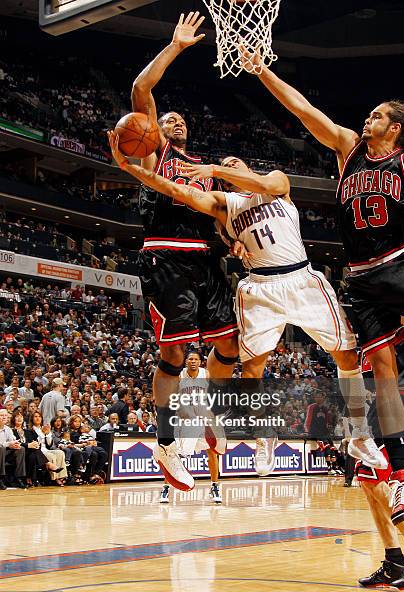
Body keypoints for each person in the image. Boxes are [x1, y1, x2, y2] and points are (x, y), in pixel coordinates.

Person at [108, 134, 384, 478]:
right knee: (252, 368)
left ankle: (358, 433)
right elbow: (181, 192)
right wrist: (132, 169)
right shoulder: (226, 204)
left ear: (246, 166)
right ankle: (264, 433)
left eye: (233, 163)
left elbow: (256, 180)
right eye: (225, 168)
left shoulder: (275, 182)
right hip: (259, 288)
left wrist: (216, 168)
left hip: (302, 279)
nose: (229, 167)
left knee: (347, 354)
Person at [237, 49, 404, 589]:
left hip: (401, 263)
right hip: (360, 276)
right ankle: (399, 485)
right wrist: (262, 70)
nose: (368, 119)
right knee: (375, 363)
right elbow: (305, 110)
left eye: (378, 115)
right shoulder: (349, 150)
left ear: (397, 127)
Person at [129, 11, 239, 491]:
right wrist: (174, 46)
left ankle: (210, 411)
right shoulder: (155, 152)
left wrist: (233, 235)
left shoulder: (205, 167)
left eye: (178, 119)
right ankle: (167, 440)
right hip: (166, 254)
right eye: (166, 118)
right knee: (174, 349)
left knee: (230, 344)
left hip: (206, 260)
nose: (172, 121)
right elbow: (140, 91)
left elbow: (222, 211)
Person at [159, 351, 223, 504]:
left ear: (200, 361)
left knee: (212, 452)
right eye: (190, 359)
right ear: (186, 361)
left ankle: (215, 486)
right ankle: (166, 488)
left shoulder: (206, 374)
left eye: (196, 359)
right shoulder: (179, 375)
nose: (193, 361)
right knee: (172, 453)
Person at [0, 408, 27, 489]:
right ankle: (1, 477)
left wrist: (15, 444)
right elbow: (3, 444)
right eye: (1, 415)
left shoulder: (8, 429)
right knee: (1, 449)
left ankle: (18, 478)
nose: (4, 417)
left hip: (5, 454)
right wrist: (9, 444)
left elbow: (12, 440)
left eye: (5, 415)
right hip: (1, 452)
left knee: (21, 449)